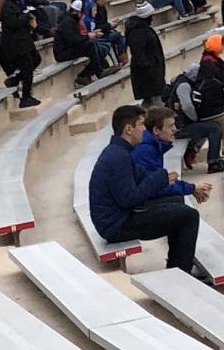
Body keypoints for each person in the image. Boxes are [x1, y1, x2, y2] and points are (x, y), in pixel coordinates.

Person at [89, 102, 216, 279]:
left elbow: (143, 178)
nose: (144, 129)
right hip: (117, 225)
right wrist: (160, 179)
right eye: (141, 125)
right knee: (188, 216)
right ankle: (181, 275)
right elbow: (128, 198)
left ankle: (177, 267)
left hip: (119, 216)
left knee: (177, 204)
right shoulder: (119, 156)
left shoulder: (120, 151)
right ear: (128, 129)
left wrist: (170, 182)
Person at [0, 0, 43, 103]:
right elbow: (13, 23)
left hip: (25, 39)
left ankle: (15, 79)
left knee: (36, 59)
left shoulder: (16, 3)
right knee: (27, 67)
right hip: (17, 43)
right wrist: (26, 16)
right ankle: (25, 97)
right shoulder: (7, 6)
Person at [129, 2, 169, 102]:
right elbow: (139, 54)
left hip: (153, 73)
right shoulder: (138, 32)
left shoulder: (144, 30)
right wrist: (149, 71)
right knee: (153, 103)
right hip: (148, 76)